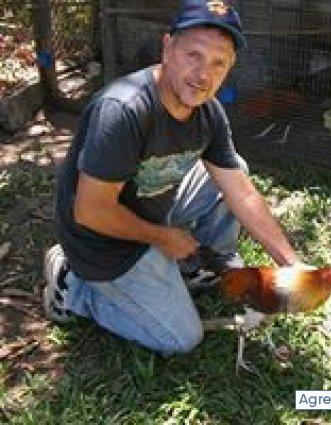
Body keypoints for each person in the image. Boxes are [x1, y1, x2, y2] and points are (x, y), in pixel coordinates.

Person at [43, 0, 299, 356]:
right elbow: (90, 212)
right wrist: (162, 238)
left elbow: (242, 194)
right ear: (167, 47)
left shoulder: (208, 113)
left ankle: (203, 266)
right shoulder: (124, 109)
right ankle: (73, 287)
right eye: (194, 55)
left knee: (234, 169)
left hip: (150, 206)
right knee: (180, 339)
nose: (202, 74)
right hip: (99, 240)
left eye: (218, 62)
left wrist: (292, 264)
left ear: (229, 68)